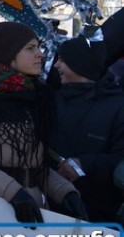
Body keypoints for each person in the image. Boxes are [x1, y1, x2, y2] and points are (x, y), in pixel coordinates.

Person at [0, 21, 87, 228]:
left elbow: (32, 165)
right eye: (30, 48)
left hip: (31, 211)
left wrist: (65, 192)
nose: (40, 54)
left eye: (39, 47)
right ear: (6, 53)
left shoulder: (36, 95)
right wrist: (13, 191)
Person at [51, 34, 124, 223]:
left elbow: (120, 158)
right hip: (51, 208)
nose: (56, 65)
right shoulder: (51, 100)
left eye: (63, 60)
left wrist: (85, 163)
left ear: (79, 64)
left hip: (99, 213)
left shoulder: (117, 106)